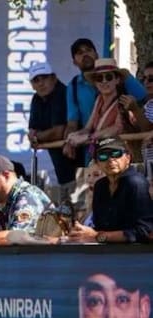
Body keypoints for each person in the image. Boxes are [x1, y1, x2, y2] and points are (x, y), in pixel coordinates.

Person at [68, 137, 153, 244]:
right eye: (103, 156)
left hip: (137, 251)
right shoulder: (100, 186)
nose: (110, 159)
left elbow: (145, 231)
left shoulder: (136, 183)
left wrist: (98, 236)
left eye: (116, 153)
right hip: (107, 250)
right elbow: (99, 227)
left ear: (128, 158)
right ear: (97, 162)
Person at [64, 59, 136, 161]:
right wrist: (74, 136)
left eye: (109, 77)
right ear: (95, 83)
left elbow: (117, 128)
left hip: (119, 157)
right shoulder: (99, 100)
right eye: (99, 78)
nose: (104, 81)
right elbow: (88, 127)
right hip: (102, 155)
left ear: (117, 80)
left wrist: (88, 137)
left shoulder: (124, 101)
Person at [26, 62, 78, 203]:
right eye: (36, 80)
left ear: (54, 78)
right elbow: (32, 133)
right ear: (32, 85)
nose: (41, 83)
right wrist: (36, 136)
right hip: (60, 169)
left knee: (78, 209)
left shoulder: (62, 94)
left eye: (44, 78)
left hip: (78, 166)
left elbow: (58, 133)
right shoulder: (37, 98)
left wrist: (38, 136)